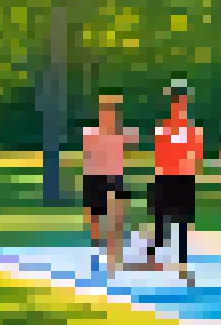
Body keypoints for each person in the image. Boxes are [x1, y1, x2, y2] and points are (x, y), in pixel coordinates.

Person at [146, 81, 204, 284]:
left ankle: (182, 265)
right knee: (161, 224)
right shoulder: (163, 129)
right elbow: (160, 156)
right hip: (165, 178)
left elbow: (196, 156)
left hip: (185, 179)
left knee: (182, 224)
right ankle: (154, 248)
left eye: (182, 100)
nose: (179, 105)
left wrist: (187, 166)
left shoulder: (193, 131)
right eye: (175, 100)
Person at [80, 92, 138, 275]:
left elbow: (132, 142)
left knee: (116, 214)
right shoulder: (91, 133)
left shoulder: (122, 133)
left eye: (113, 110)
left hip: (114, 177)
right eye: (106, 109)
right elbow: (89, 156)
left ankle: (114, 253)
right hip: (95, 177)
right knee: (95, 217)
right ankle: (96, 250)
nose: (110, 114)